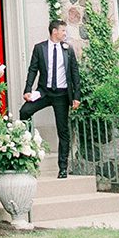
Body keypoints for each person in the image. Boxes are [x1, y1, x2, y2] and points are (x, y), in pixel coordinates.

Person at [20, 19, 81, 178]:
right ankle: (27, 154)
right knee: (24, 112)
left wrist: (76, 97)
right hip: (44, 92)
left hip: (61, 95)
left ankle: (62, 167)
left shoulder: (68, 50)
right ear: (55, 31)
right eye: (63, 31)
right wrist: (28, 90)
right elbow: (32, 70)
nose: (64, 33)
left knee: (63, 131)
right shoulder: (40, 48)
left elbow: (75, 73)